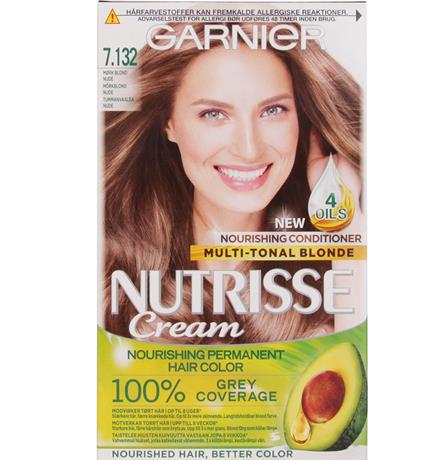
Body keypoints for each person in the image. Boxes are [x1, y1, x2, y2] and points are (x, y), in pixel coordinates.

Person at [103, 22, 363, 343]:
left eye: (273, 110)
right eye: (214, 114)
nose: (249, 149)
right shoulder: (110, 274)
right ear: (168, 123)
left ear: (301, 116)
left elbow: (357, 368)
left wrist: (344, 222)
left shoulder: (330, 284)